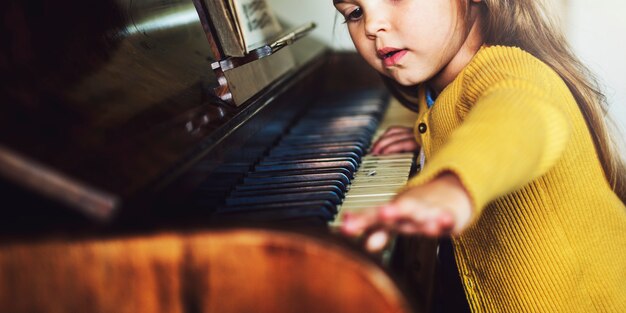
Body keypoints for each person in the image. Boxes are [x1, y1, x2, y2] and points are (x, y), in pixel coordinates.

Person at [332, 0, 626, 312]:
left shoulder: (511, 70)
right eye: (355, 12)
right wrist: (433, 140)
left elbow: (519, 119)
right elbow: (468, 118)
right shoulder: (438, 82)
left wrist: (453, 183)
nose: (372, 26)